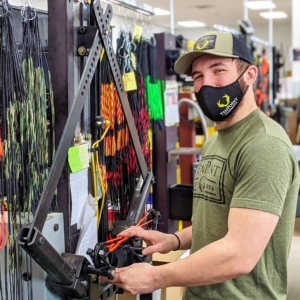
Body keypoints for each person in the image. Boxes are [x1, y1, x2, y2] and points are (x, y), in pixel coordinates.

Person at [100, 31, 300, 299]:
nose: (207, 85)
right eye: (198, 77)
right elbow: (220, 223)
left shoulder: (264, 145)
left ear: (250, 75)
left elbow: (239, 255)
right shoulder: (216, 141)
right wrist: (175, 240)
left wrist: (156, 278)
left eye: (218, 70)